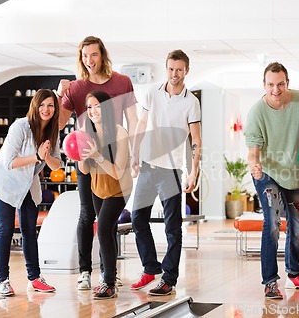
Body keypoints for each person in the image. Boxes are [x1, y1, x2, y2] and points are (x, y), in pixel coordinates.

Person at [57, 35, 138, 291]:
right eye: (84, 56)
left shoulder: (122, 81)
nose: (89, 60)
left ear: (102, 55)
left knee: (107, 221)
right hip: (88, 156)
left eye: (94, 54)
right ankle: (85, 272)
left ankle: (107, 272)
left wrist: (134, 156)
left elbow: (133, 120)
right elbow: (59, 124)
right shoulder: (76, 88)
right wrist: (61, 95)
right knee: (87, 214)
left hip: (115, 155)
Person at [244, 62, 299, 300]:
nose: (275, 89)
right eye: (270, 85)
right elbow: (253, 153)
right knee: (273, 223)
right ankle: (270, 281)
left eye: (280, 84)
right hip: (267, 173)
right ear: (264, 85)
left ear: (287, 83)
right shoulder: (257, 112)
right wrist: (254, 165)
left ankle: (294, 274)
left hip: (295, 173)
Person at [129, 49, 201, 296]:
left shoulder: (192, 102)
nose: (174, 74)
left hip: (171, 170)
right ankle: (151, 267)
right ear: (166, 68)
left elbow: (196, 140)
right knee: (138, 218)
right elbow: (140, 123)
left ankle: (169, 278)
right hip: (149, 166)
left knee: (172, 228)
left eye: (179, 69)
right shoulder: (152, 93)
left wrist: (193, 172)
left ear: (186, 71)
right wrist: (135, 154)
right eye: (171, 69)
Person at [0, 89, 62, 296]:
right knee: (6, 230)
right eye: (42, 105)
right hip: (6, 182)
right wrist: (37, 156)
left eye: (50, 105)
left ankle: (35, 278)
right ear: (35, 106)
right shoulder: (20, 126)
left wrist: (46, 156)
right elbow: (9, 162)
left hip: (29, 183)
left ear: (55, 109)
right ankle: (3, 280)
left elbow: (56, 166)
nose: (46, 109)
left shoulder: (53, 131)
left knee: (30, 231)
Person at [77, 91, 133, 299]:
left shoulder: (119, 132)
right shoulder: (86, 132)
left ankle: (108, 282)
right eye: (89, 107)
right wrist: (79, 154)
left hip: (120, 188)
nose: (92, 111)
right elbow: (83, 170)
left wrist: (96, 156)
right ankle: (111, 276)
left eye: (97, 106)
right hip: (98, 187)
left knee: (102, 229)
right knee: (107, 231)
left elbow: (118, 171)